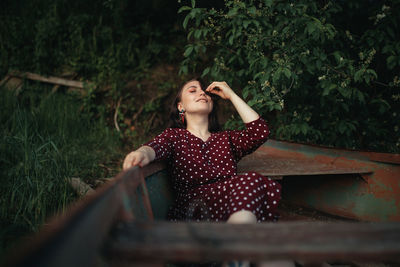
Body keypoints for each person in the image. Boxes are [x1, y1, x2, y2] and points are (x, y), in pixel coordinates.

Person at [122, 79, 281, 224]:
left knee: (251, 182)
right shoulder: (175, 136)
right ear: (181, 107)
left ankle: (237, 248)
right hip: (195, 210)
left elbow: (259, 132)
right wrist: (141, 153)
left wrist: (231, 95)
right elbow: (155, 147)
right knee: (250, 181)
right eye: (193, 90)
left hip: (230, 207)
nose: (202, 93)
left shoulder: (227, 139)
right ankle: (237, 248)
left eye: (204, 92)